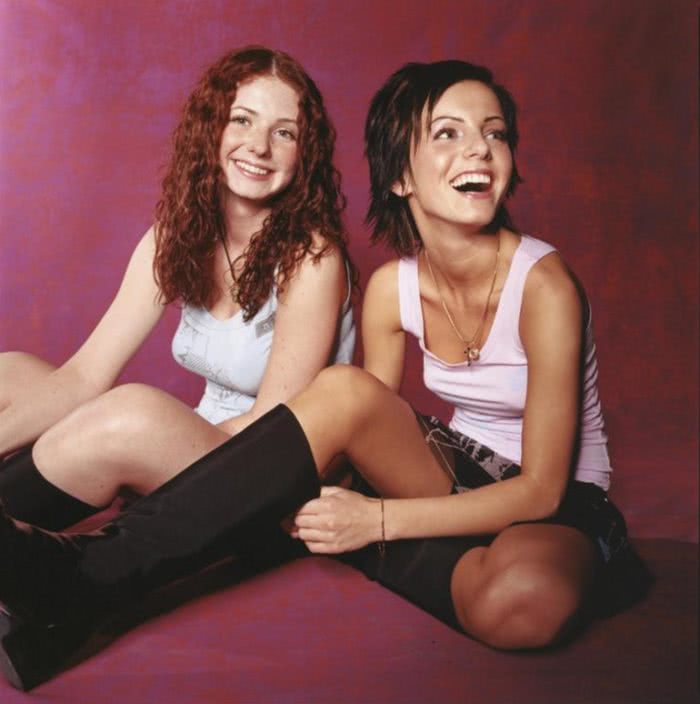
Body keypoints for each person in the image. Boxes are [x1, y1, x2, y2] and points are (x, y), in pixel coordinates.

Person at [0, 59, 646, 691]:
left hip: (541, 491)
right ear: (400, 177)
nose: (478, 147)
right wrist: (355, 506)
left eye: (495, 133)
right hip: (442, 463)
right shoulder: (393, 286)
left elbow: (539, 491)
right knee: (22, 375)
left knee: (520, 601)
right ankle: (70, 579)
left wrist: (376, 522)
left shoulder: (544, 286)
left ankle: (75, 583)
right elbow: (365, 434)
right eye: (448, 132)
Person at [0, 45, 355, 529]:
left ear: (305, 153)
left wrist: (148, 444)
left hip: (267, 467)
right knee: (12, 372)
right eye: (242, 120)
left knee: (129, 413)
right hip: (200, 440)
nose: (259, 146)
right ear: (211, 128)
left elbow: (273, 427)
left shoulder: (313, 257)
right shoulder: (177, 235)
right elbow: (85, 375)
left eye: (284, 132)